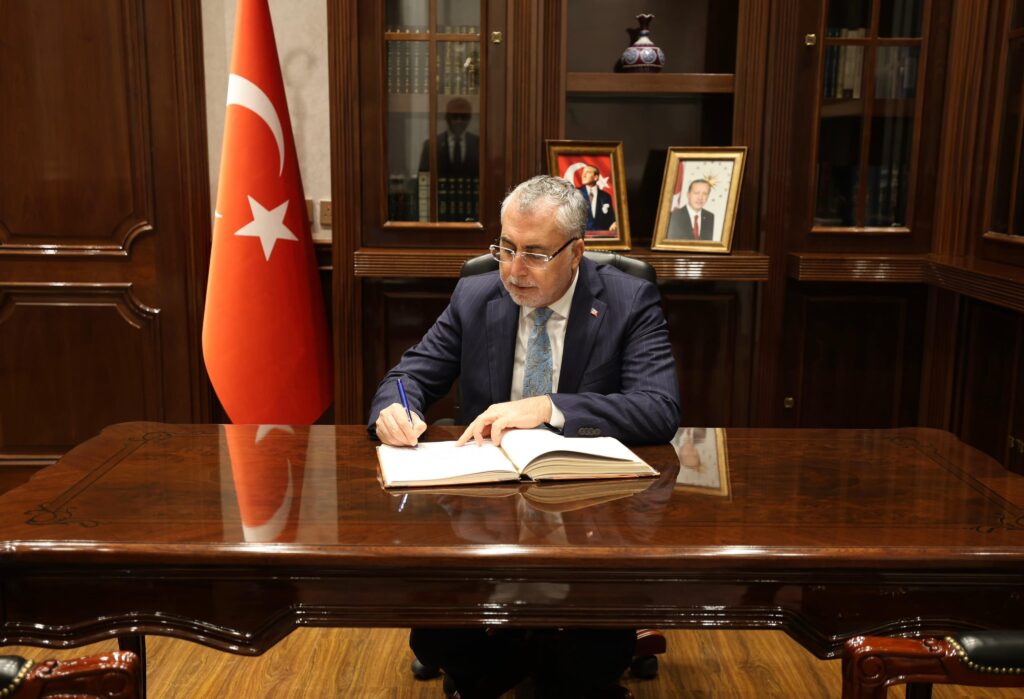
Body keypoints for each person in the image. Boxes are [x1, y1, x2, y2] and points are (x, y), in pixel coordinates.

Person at [368, 175, 680, 698]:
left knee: (591, 658)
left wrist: (550, 407)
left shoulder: (628, 299)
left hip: (590, 514)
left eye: (535, 254)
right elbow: (409, 376)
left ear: (576, 252)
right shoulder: (476, 293)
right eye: (506, 248)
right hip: (488, 506)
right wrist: (395, 409)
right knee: (437, 639)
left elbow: (658, 407)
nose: (514, 270)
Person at [419, 97, 480, 180]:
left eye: (464, 117)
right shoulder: (431, 144)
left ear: (469, 118)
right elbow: (423, 178)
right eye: (455, 116)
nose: (459, 121)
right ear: (447, 118)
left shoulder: (479, 144)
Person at [576, 164, 617, 233]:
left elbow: (611, 219)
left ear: (596, 177)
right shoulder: (575, 194)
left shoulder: (606, 196)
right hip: (581, 236)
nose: (583, 175)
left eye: (587, 172)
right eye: (583, 173)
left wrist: (614, 223)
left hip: (602, 236)